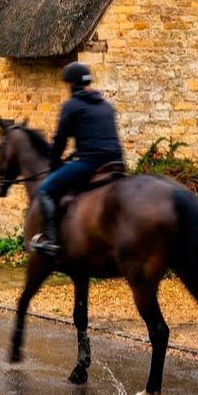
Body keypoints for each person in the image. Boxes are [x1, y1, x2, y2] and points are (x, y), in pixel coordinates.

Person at [29, 62, 125, 256]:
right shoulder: (106, 105)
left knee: (46, 189)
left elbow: (60, 140)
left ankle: (51, 240)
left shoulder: (72, 105)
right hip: (116, 163)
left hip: (90, 164)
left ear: (72, 85)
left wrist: (54, 162)